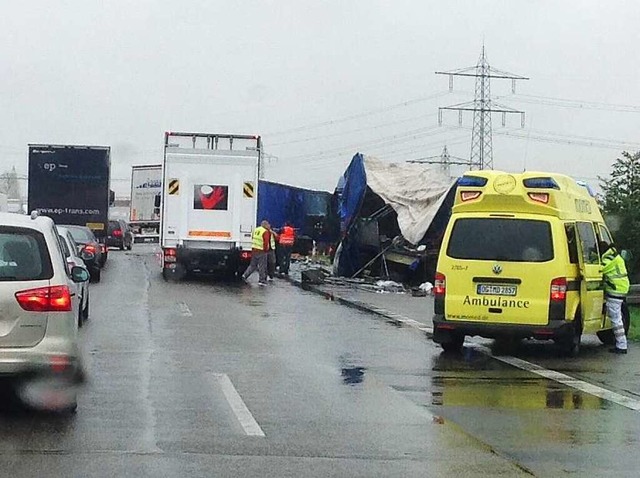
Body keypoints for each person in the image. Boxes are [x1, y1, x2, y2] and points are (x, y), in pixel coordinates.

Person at [599, 240, 630, 354]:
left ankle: (621, 345)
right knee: (617, 317)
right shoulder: (614, 256)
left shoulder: (608, 259)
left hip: (615, 290)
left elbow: (599, 270)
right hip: (620, 288)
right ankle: (621, 344)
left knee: (616, 319)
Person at [242, 220, 271, 286]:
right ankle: (262, 280)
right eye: (268, 224)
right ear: (265, 225)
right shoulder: (265, 231)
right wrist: (266, 250)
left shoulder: (256, 230)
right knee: (262, 266)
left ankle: (245, 275)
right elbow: (266, 242)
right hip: (261, 250)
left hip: (254, 249)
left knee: (253, 265)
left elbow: (253, 238)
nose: (269, 226)